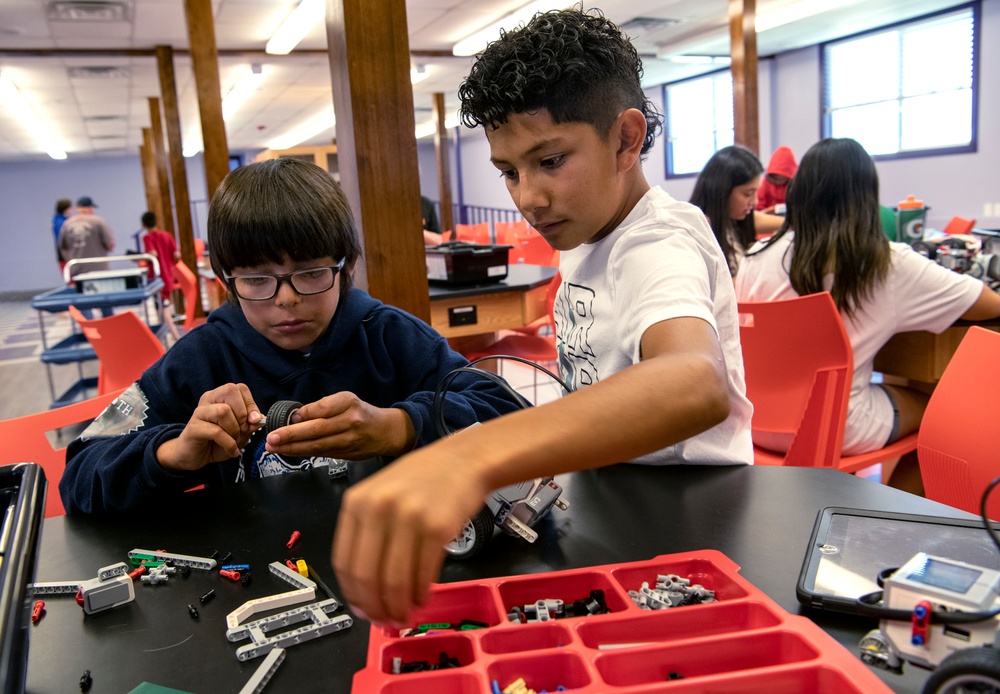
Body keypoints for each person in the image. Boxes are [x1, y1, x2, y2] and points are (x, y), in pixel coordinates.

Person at [331, 8, 753, 626]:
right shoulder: (592, 231)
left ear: (625, 140)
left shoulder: (656, 241)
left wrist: (469, 456)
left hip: (689, 517)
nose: (528, 196)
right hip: (615, 501)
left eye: (550, 161)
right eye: (509, 171)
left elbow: (695, 379)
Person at [59, 158, 525, 515]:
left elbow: (513, 417)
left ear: (346, 267)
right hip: (252, 577)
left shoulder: (392, 337)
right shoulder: (199, 360)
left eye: (310, 273)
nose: (286, 300)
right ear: (225, 278)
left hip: (393, 562)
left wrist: (399, 427)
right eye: (257, 280)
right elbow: (80, 472)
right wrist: (172, 453)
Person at [735, 138, 1000, 491]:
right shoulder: (883, 262)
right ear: (866, 197)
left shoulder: (756, 256)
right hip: (835, 428)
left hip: (755, 422)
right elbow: (986, 303)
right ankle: (891, 517)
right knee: (943, 418)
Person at [689, 146, 772, 277]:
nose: (755, 201)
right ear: (723, 191)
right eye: (747, 193)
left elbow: (759, 220)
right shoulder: (699, 230)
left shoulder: (733, 220)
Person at [139, 211, 182, 341]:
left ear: (143, 225)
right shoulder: (167, 235)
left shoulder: (147, 237)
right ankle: (166, 336)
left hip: (157, 278)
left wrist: (142, 258)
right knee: (164, 305)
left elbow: (152, 253)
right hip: (169, 276)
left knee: (162, 307)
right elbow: (177, 255)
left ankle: (174, 336)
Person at [58, 196, 115, 278]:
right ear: (89, 208)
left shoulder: (67, 224)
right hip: (99, 268)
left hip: (77, 269)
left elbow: (62, 247)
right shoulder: (98, 221)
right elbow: (110, 243)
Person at [755, 146, 797, 213]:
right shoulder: (766, 184)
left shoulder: (796, 185)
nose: (779, 178)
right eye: (776, 176)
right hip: (768, 219)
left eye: (782, 176)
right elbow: (759, 205)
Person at [52, 198, 71, 271]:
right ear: (66, 209)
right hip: (65, 257)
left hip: (65, 256)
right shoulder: (61, 223)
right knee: (72, 281)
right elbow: (62, 241)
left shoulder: (61, 221)